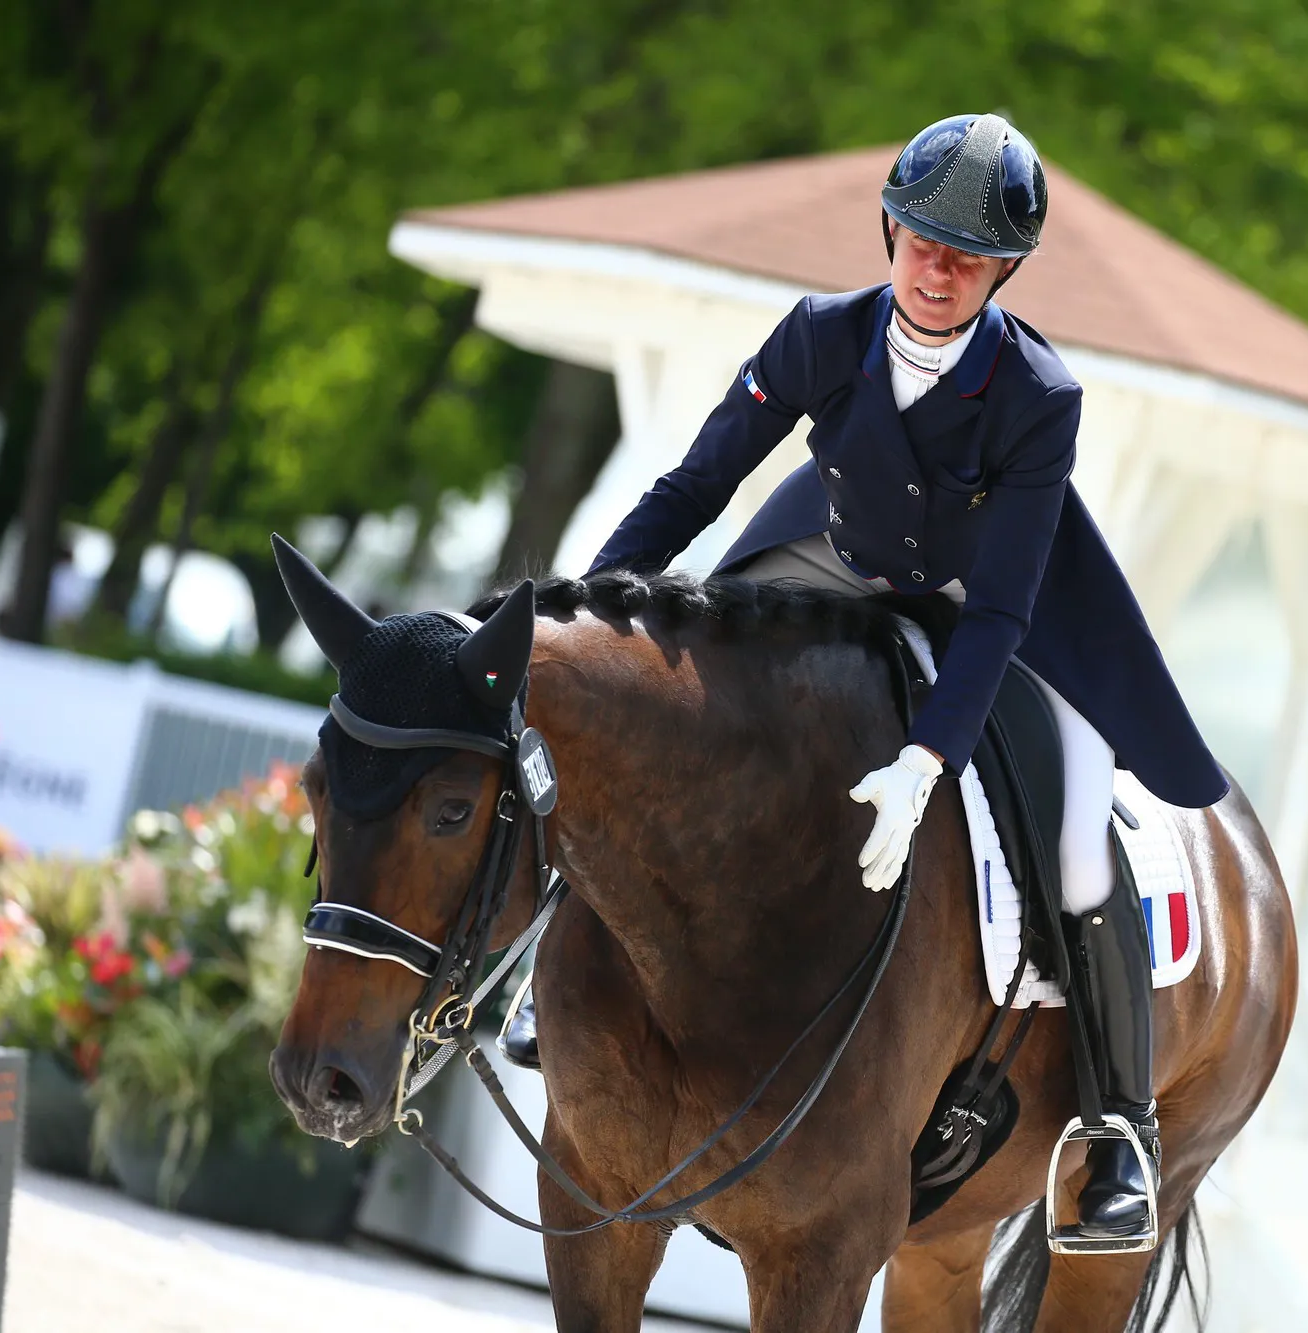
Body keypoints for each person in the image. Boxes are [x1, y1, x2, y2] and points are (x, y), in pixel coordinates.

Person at [505, 113, 1228, 1248]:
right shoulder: (819, 333)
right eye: (923, 239)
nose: (938, 269)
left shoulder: (1037, 394)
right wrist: (571, 619)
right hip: (829, 552)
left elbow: (994, 610)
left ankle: (1115, 1129)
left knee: (1083, 826)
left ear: (1004, 270)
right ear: (887, 227)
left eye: (970, 254)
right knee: (654, 713)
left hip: (993, 595)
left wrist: (923, 759)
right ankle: (537, 977)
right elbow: (695, 487)